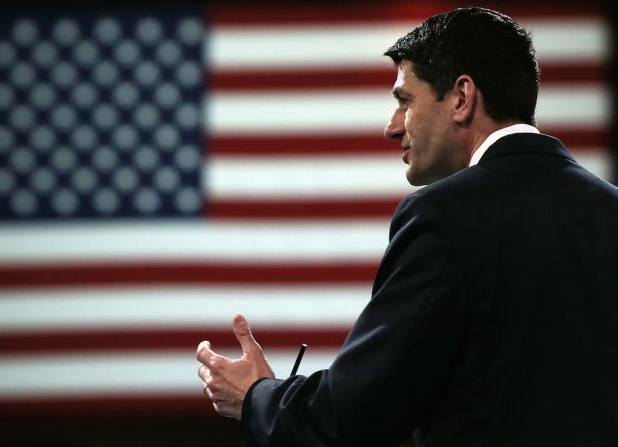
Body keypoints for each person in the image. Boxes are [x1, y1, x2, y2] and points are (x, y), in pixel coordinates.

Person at [196, 7, 618, 446]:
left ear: (461, 98)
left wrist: (256, 397)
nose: (391, 128)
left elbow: (355, 414)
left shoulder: (444, 216)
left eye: (404, 100)